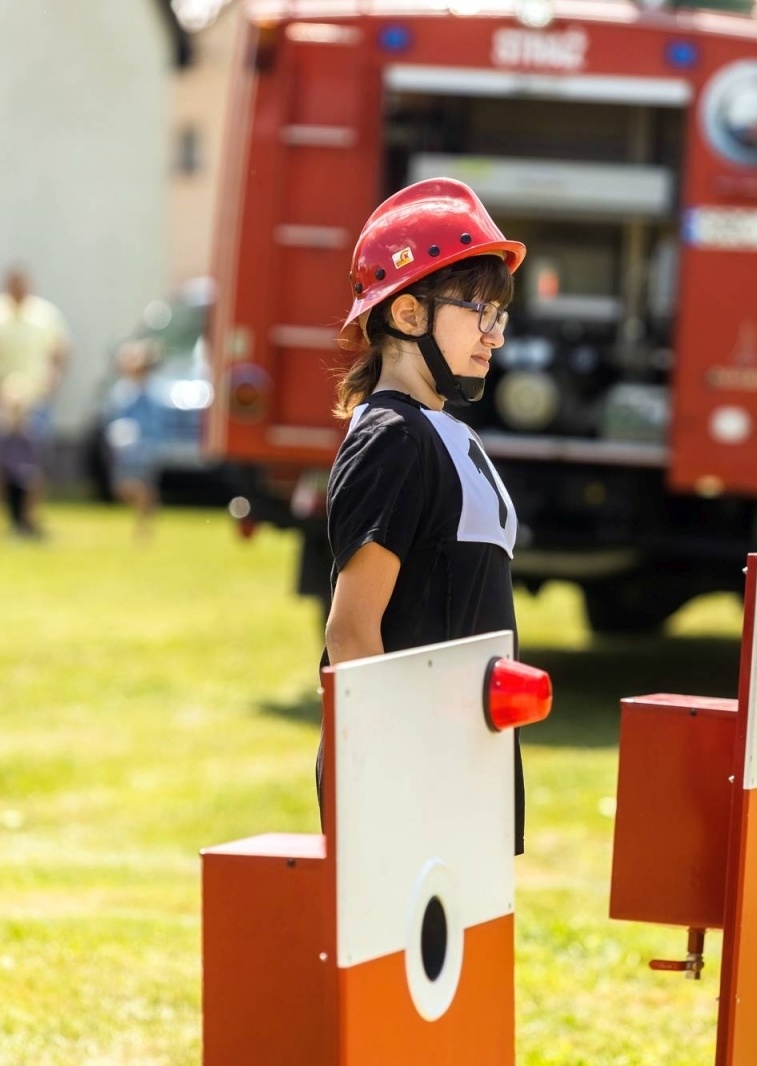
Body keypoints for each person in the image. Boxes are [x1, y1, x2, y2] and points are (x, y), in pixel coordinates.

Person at [319, 177, 528, 854]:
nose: (495, 336)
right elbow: (352, 631)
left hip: (463, 760)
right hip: (413, 777)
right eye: (479, 311)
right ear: (408, 314)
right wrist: (397, 776)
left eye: (501, 316)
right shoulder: (393, 439)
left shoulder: (443, 431)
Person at [0, 265, 71, 536]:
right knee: (0, 462)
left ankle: (30, 518)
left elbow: (60, 350)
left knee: (35, 462)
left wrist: (51, 383)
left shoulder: (45, 314)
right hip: (2, 401)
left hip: (35, 401)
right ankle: (1, 519)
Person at [105, 338, 168, 539]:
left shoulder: (150, 390)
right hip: (123, 449)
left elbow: (153, 422)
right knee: (122, 487)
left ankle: (143, 526)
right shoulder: (121, 389)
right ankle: (147, 513)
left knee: (140, 484)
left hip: (143, 448)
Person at [0, 376, 44, 539]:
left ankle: (27, 522)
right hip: (8, 473)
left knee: (32, 484)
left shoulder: (29, 427)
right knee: (13, 494)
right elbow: (0, 455)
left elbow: (33, 453)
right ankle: (17, 525)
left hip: (25, 472)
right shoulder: (1, 428)